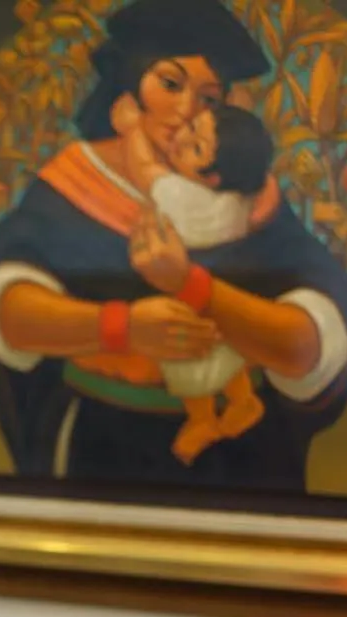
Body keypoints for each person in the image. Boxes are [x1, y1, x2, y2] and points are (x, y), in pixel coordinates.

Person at [0, 0, 347, 492]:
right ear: (130, 87)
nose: (186, 113)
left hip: (249, 455)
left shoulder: (250, 202)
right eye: (171, 84)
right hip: (105, 444)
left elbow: (313, 341)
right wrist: (123, 328)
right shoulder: (76, 183)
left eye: (210, 97)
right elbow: (8, 309)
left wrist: (199, 292)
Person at [109, 94, 276, 465]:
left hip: (186, 306)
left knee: (189, 366)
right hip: (224, 301)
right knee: (227, 359)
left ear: (211, 177)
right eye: (193, 126)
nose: (182, 138)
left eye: (196, 146)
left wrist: (132, 128)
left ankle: (202, 421)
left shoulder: (184, 197)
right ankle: (244, 401)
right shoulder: (237, 199)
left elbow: (143, 168)